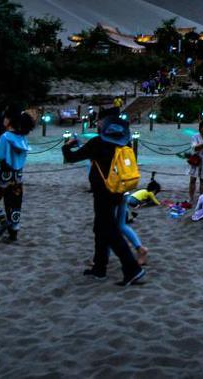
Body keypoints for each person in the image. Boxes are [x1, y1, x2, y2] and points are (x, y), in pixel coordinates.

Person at [62, 114, 145, 286]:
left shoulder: (97, 143)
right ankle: (100, 268)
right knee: (100, 228)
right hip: (119, 191)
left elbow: (70, 158)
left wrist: (67, 146)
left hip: (103, 193)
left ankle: (132, 270)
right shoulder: (124, 143)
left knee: (110, 231)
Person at [0, 111, 33, 243]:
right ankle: (13, 235)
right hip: (18, 176)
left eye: (5, 117)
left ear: (10, 121)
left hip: (4, 175)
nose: (3, 119)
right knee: (14, 204)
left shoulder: (5, 137)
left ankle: (3, 221)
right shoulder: (23, 138)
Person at [119, 180, 163, 266]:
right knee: (121, 226)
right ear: (155, 190)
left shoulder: (144, 190)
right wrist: (160, 203)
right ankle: (140, 248)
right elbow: (156, 202)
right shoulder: (150, 193)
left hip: (128, 198)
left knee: (119, 225)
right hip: (131, 200)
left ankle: (140, 249)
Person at [181, 121, 203, 204]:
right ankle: (191, 198)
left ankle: (202, 199)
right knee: (193, 180)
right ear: (200, 128)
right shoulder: (195, 136)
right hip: (196, 160)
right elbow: (194, 148)